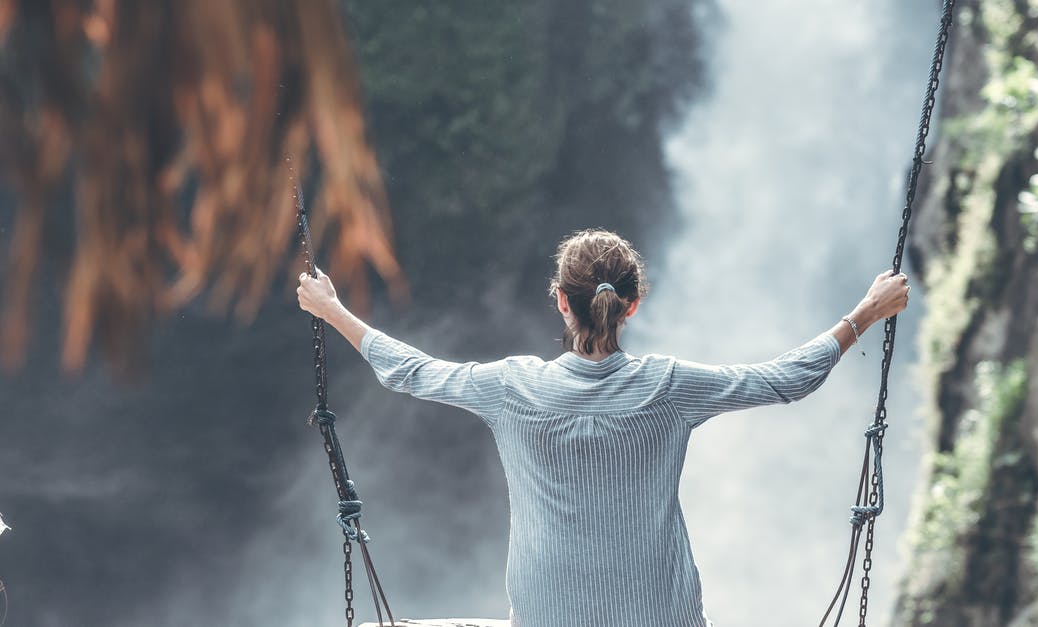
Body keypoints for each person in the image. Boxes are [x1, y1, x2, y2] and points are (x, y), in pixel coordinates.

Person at [296, 228, 910, 627]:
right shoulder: (669, 388)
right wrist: (864, 313)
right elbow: (785, 380)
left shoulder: (513, 388)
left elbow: (411, 372)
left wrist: (332, 309)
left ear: (560, 301)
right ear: (632, 305)